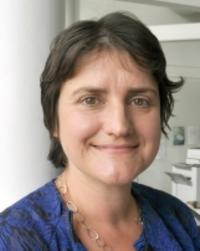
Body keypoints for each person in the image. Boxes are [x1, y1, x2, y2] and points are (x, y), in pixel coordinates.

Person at [0, 12, 199, 251]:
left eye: (139, 101)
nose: (119, 126)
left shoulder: (177, 218)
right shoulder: (15, 239)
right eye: (90, 100)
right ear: (54, 119)